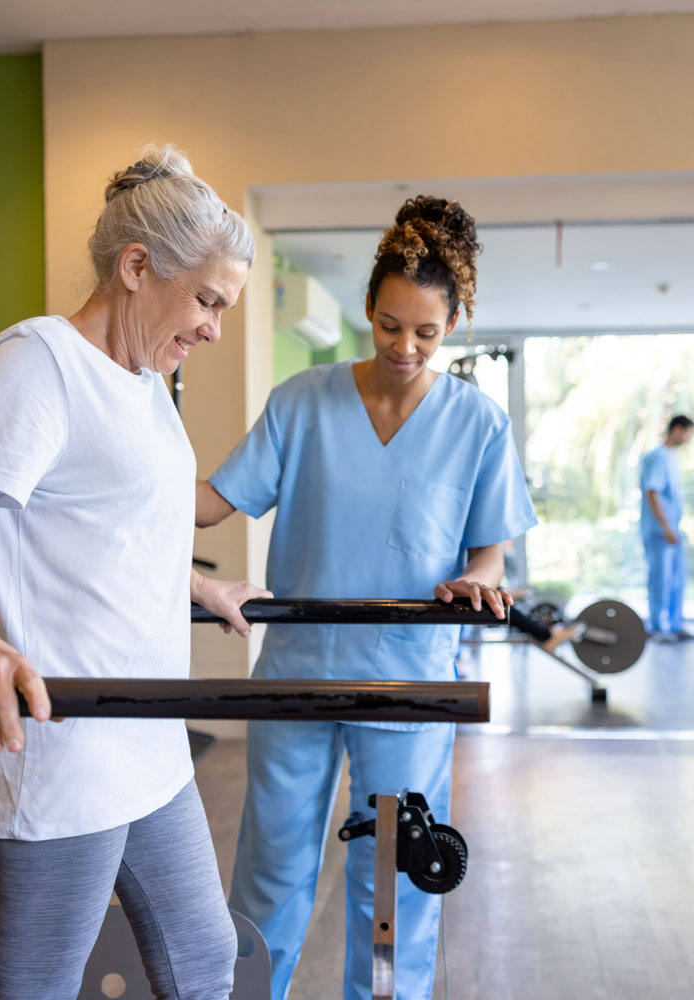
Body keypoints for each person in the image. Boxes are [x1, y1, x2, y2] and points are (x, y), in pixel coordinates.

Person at [0, 145, 271, 1000]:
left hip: (145, 739)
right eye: (207, 299)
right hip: (63, 750)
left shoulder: (141, 383)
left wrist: (197, 588)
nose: (213, 326)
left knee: (206, 958)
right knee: (35, 990)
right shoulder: (39, 363)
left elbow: (113, 531)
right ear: (138, 266)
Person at [195, 196, 537, 1000]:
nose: (404, 347)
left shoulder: (478, 424)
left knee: (393, 883)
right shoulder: (301, 401)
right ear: (369, 311)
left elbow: (491, 555)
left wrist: (473, 584)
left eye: (425, 330)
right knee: (271, 871)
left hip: (408, 679)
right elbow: (213, 499)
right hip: (296, 675)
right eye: (389, 325)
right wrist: (119, 477)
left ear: (454, 322)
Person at [640, 414, 694, 642]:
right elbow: (651, 493)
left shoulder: (672, 457)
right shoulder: (656, 457)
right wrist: (665, 526)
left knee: (676, 578)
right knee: (660, 579)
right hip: (660, 530)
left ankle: (673, 625)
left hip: (672, 529)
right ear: (677, 429)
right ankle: (657, 626)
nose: (689, 438)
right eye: (688, 433)